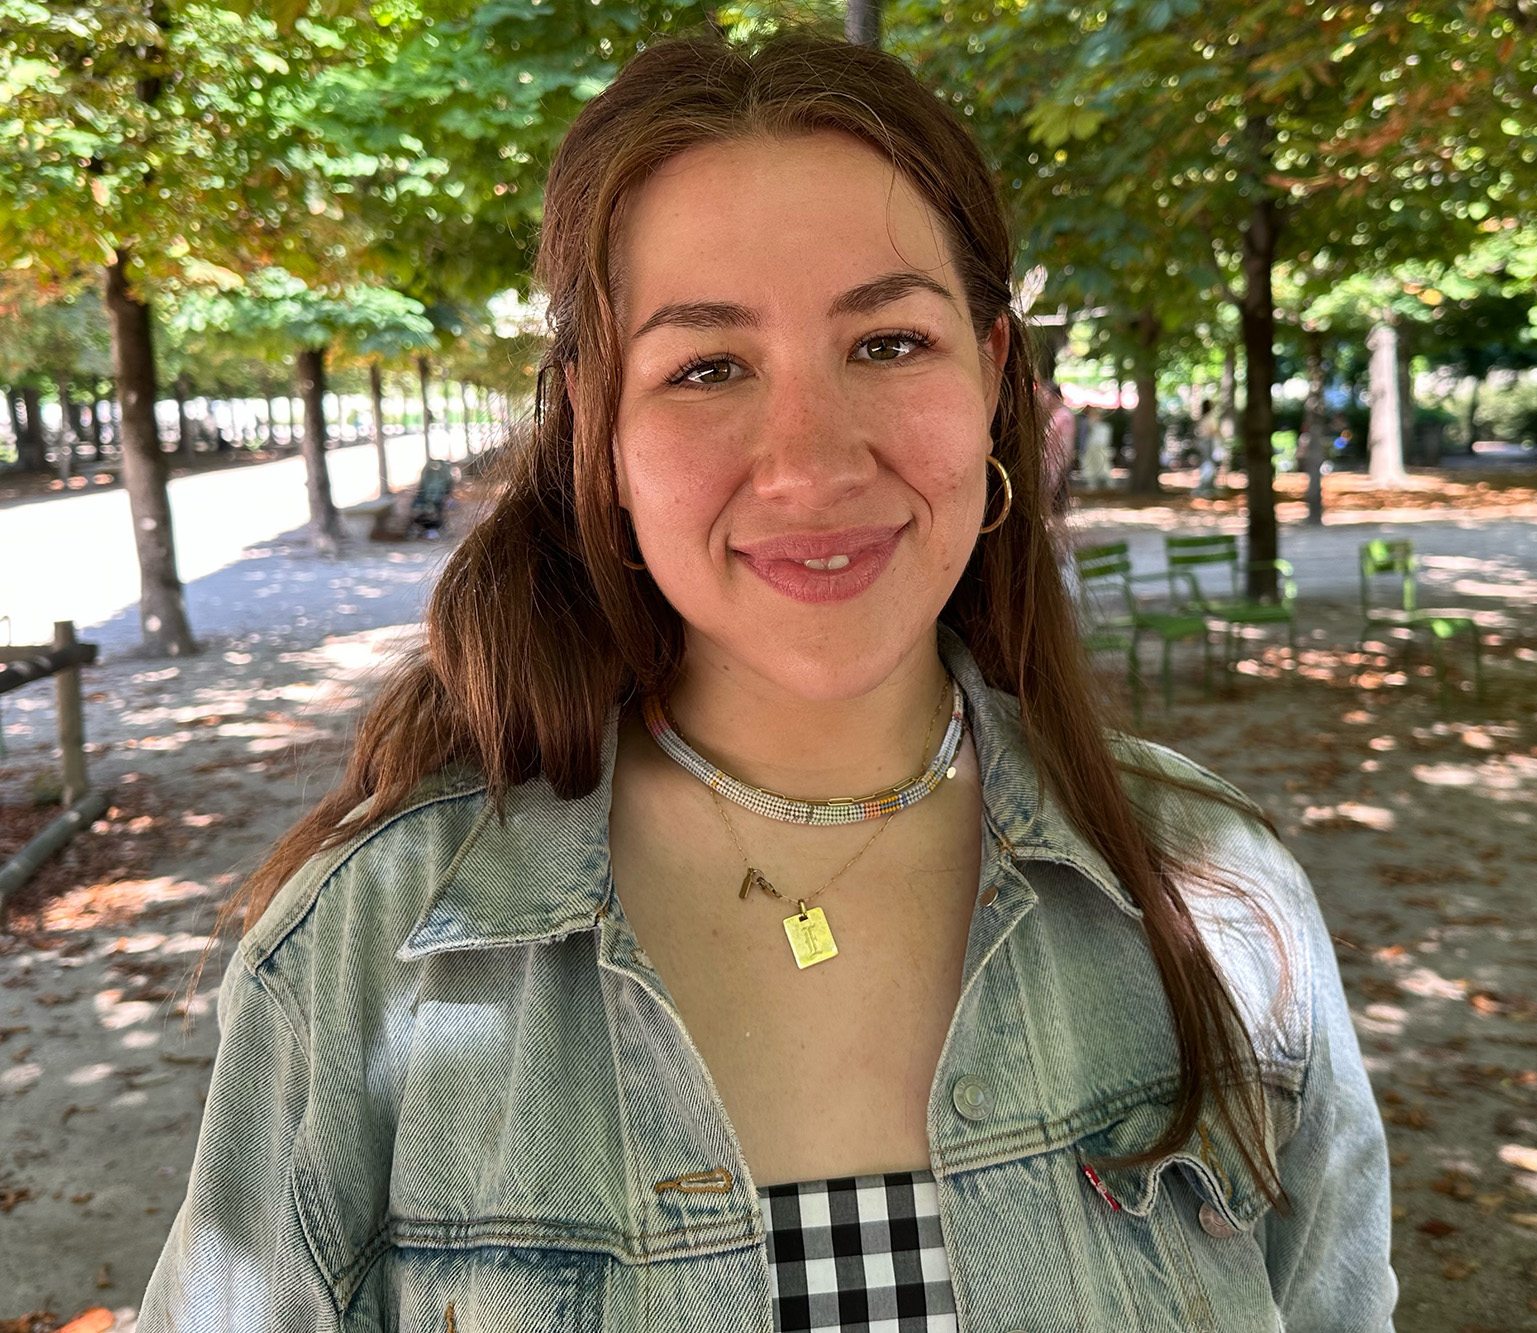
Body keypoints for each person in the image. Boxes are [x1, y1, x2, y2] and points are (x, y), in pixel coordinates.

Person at [137, 32, 1395, 1333]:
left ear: (996, 375)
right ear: (600, 431)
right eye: (708, 367)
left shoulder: (1227, 910)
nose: (808, 464)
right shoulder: (360, 957)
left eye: (891, 343)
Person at [1036, 376, 1075, 513]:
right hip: (1049, 467)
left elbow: (1066, 445)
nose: (1043, 399)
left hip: (1056, 469)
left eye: (1045, 395)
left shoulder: (1064, 416)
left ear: (1054, 397)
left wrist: (1060, 469)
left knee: (1054, 508)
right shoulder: (1054, 416)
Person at [1079, 403, 1115, 491]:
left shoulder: (1095, 423)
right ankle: (1093, 483)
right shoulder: (1086, 422)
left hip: (1098, 446)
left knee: (1101, 464)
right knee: (1091, 465)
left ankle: (1107, 482)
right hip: (1091, 446)